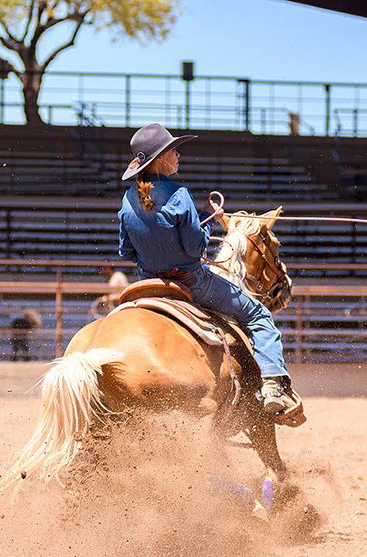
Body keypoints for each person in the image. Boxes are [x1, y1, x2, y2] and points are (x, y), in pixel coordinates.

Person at [117, 123, 298, 415]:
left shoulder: (127, 200)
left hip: (148, 286)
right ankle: (272, 385)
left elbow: (126, 251)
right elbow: (195, 248)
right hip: (192, 282)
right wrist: (208, 217)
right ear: (160, 158)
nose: (177, 155)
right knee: (258, 315)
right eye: (173, 150)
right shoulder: (179, 194)